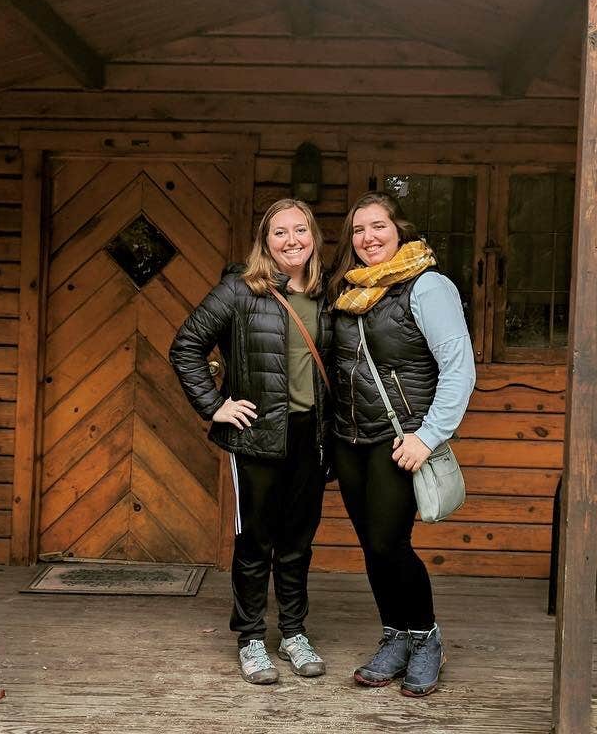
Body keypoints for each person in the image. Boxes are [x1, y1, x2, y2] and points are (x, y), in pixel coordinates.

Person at [169, 198, 330, 686]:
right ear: (265, 241)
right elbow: (186, 345)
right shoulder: (240, 290)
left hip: (310, 436)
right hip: (256, 434)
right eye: (279, 233)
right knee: (256, 540)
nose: (291, 241)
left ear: (313, 237)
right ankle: (252, 639)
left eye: (300, 230)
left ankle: (295, 633)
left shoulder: (327, 294)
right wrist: (215, 405)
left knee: (298, 541)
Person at [327, 192, 475, 697]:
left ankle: (426, 637)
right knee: (372, 545)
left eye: (378, 226)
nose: (368, 238)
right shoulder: (346, 292)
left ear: (399, 229)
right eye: (358, 230)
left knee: (391, 542)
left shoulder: (427, 287)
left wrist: (428, 437)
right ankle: (394, 636)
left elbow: (459, 370)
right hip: (349, 439)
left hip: (400, 440)